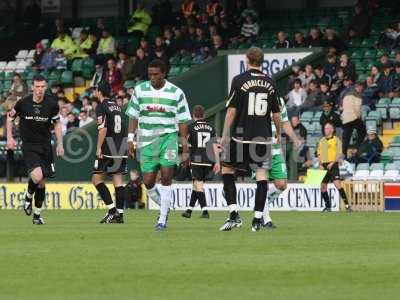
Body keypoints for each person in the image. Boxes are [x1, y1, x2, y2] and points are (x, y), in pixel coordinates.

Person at [219, 47, 281, 232]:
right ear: (262, 61)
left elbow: (231, 110)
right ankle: (257, 219)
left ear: (247, 60)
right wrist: (278, 133)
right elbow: (276, 113)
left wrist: (224, 133)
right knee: (261, 176)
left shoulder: (239, 80)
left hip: (241, 137)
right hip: (263, 137)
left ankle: (234, 214)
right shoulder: (271, 82)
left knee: (228, 170)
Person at [126, 59, 191, 231]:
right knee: (147, 181)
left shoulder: (176, 93)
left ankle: (162, 219)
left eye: (156, 74)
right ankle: (165, 205)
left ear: (163, 73)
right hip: (146, 140)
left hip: (168, 138)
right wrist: (130, 140)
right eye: (150, 75)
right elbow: (133, 116)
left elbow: (183, 121)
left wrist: (185, 148)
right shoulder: (140, 91)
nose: (152, 77)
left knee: (167, 177)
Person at [6, 75, 64, 225]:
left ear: (45, 87)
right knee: (37, 177)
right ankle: (28, 196)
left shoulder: (51, 103)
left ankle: (37, 215)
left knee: (42, 182)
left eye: (42, 86)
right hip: (29, 145)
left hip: (45, 145)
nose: (39, 90)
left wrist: (60, 143)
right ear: (32, 87)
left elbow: (57, 123)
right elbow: (9, 118)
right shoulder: (23, 103)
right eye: (37, 87)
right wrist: (10, 137)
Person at [262, 98, 302, 229]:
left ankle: (260, 203)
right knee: (263, 185)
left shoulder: (279, 101)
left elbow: (285, 122)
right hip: (260, 147)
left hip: (276, 149)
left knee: (282, 184)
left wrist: (294, 138)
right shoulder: (257, 97)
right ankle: (266, 219)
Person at [92, 81, 127, 224]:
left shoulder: (101, 106)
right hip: (121, 146)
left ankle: (112, 211)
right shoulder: (116, 106)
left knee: (96, 179)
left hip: (109, 147)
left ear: (99, 92)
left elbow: (103, 129)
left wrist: (98, 147)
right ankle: (120, 214)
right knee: (118, 181)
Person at [181, 105, 220, 219]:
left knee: (198, 185)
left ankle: (205, 211)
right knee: (196, 185)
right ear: (204, 115)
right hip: (208, 160)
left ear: (193, 115)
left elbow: (186, 145)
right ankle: (189, 210)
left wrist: (185, 157)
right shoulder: (211, 128)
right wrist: (217, 162)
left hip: (196, 159)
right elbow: (215, 146)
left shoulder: (191, 127)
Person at [317, 122, 352, 212]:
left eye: (328, 128)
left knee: (338, 185)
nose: (326, 130)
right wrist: (320, 164)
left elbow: (339, 154)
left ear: (332, 130)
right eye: (325, 128)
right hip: (324, 166)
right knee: (323, 186)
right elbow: (319, 154)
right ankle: (328, 207)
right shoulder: (322, 141)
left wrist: (332, 163)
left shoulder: (336, 140)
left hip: (333, 165)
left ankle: (347, 206)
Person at [341, 81, 366, 156]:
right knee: (362, 131)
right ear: (358, 87)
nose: (362, 89)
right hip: (353, 116)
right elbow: (357, 108)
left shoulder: (346, 94)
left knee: (346, 137)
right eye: (361, 88)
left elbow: (343, 106)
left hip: (345, 118)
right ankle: (357, 148)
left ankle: (344, 153)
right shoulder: (358, 95)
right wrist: (359, 117)